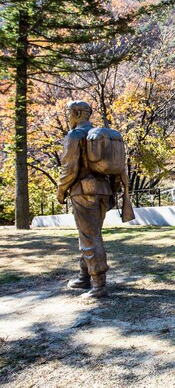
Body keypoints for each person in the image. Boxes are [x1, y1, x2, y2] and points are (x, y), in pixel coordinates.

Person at [57, 100, 113, 299]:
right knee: (90, 234)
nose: (68, 116)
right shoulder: (100, 135)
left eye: (69, 113)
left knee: (89, 237)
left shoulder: (75, 136)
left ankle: (98, 285)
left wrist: (61, 190)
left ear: (79, 113)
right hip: (103, 191)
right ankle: (84, 276)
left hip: (83, 191)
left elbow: (69, 169)